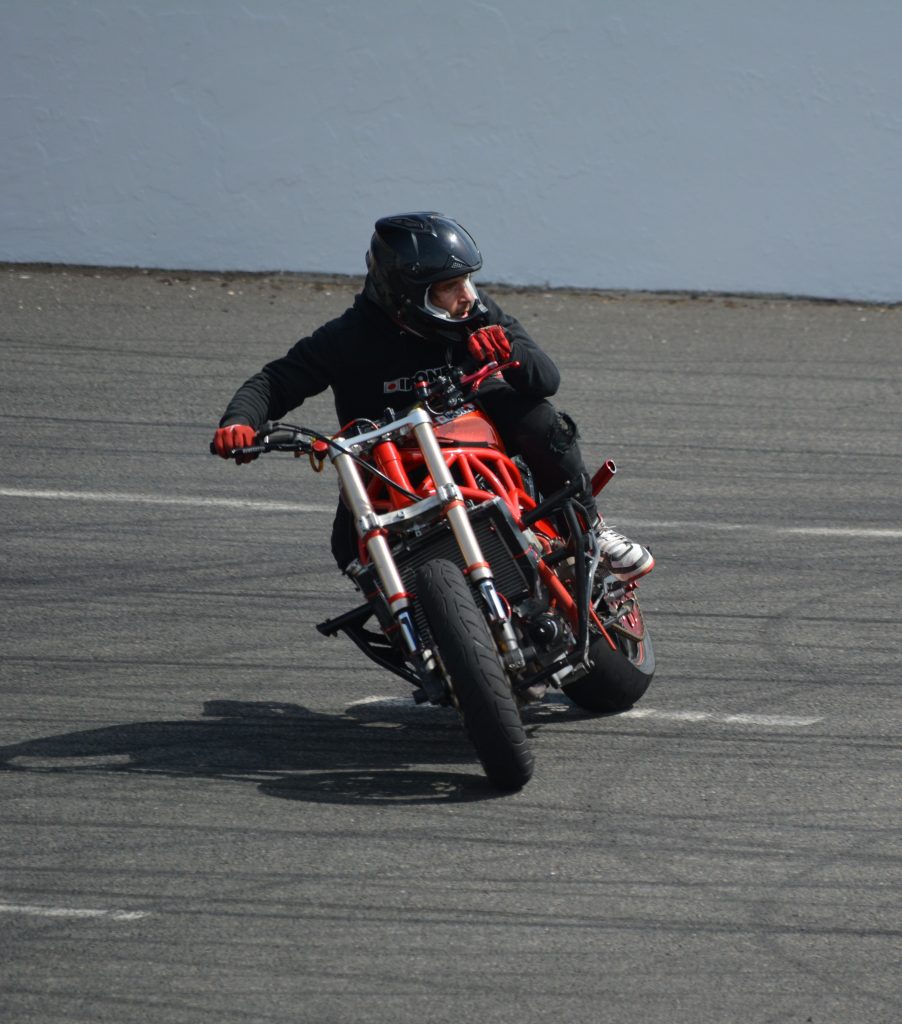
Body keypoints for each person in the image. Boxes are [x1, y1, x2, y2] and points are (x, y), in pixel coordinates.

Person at [212, 212, 653, 582]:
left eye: (466, 282)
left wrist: (509, 352)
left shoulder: (477, 316)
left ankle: (591, 530)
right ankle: (420, 638)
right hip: (385, 458)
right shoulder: (348, 337)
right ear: (404, 292)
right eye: (449, 287)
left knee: (540, 420)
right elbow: (275, 380)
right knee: (347, 548)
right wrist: (239, 421)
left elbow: (547, 379)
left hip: (474, 437)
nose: (466, 297)